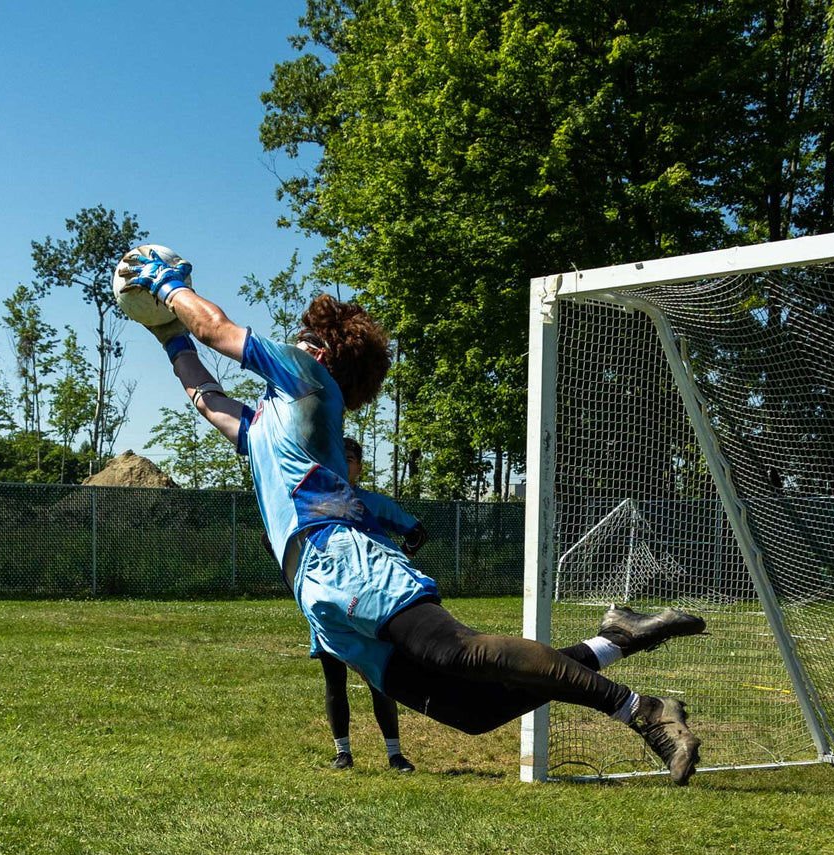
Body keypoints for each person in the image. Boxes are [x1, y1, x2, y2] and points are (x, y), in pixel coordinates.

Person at [122, 248, 707, 784]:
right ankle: (616, 637)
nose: (294, 343)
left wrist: (168, 286)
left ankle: (644, 712)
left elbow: (216, 330)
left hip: (346, 558)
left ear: (322, 352)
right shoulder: (264, 427)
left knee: (459, 651)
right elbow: (205, 395)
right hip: (314, 588)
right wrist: (167, 334)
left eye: (303, 338)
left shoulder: (311, 382)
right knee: (471, 713)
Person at [318, 437, 424, 772]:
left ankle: (395, 754)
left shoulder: (375, 504)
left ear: (359, 467)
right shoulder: (315, 503)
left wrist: (398, 563)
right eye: (339, 456)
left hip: (371, 605)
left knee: (380, 677)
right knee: (334, 678)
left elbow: (416, 533)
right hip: (329, 604)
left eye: (351, 457)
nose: (345, 463)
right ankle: (342, 753)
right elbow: (275, 539)